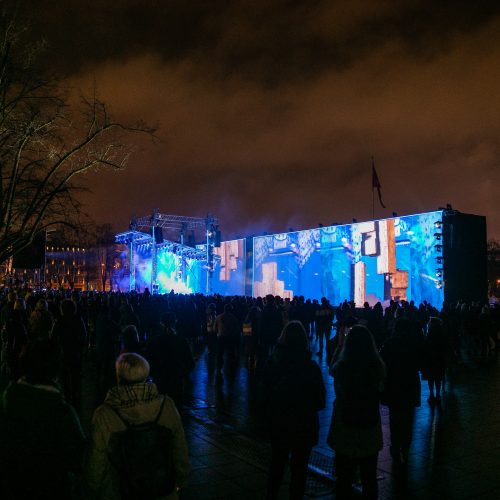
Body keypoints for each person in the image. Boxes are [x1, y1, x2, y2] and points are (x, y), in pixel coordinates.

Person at [85, 352, 190, 500]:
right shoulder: (166, 406)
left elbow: (96, 459)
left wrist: (93, 487)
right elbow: (179, 446)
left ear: (118, 377)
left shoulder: (104, 414)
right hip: (161, 489)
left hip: (120, 490)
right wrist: (182, 479)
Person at [0, 339, 86, 500]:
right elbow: (77, 458)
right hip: (50, 488)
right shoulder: (62, 412)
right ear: (55, 370)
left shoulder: (7, 400)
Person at [260, 321, 326, 500]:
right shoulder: (311, 368)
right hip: (303, 428)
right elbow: (320, 401)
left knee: (277, 465)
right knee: (300, 471)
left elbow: (263, 394)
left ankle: (271, 495)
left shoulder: (273, 363)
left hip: (279, 424)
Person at [327, 325, 386, 500]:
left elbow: (332, 369)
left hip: (344, 428)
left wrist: (339, 346)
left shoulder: (343, 368)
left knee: (343, 479)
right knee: (369, 479)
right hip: (369, 428)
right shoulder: (377, 367)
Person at [380, 317, 424, 470]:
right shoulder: (414, 344)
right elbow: (420, 363)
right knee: (408, 419)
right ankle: (405, 447)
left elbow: (382, 363)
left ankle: (395, 446)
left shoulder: (389, 344)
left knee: (395, 418)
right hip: (410, 386)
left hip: (394, 387)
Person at [145, 312, 194, 407]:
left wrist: (155, 374)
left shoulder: (154, 341)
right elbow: (190, 363)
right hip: (176, 381)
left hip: (160, 380)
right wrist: (182, 374)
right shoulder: (182, 341)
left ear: (161, 323)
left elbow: (149, 362)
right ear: (175, 322)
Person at [422, 316, 447, 405]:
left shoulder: (429, 334)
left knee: (431, 378)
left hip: (430, 359)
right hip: (440, 358)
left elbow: (425, 346)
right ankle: (438, 394)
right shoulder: (442, 333)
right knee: (438, 378)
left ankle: (432, 394)